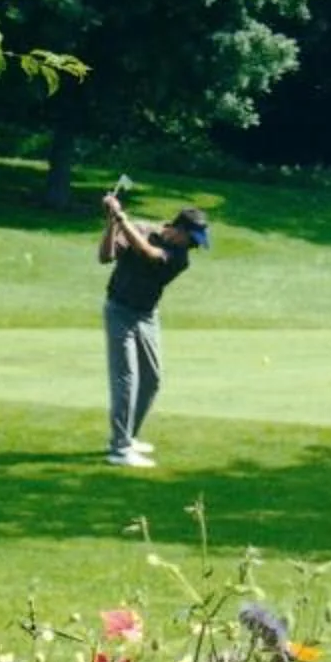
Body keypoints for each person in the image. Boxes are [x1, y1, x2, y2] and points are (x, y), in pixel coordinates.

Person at [99, 191, 209, 468]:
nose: (194, 246)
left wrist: (122, 218)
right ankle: (120, 449)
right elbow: (105, 256)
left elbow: (148, 254)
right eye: (192, 239)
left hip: (147, 315)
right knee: (126, 379)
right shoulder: (142, 228)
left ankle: (128, 436)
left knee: (152, 379)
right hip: (119, 311)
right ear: (180, 230)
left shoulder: (179, 257)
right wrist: (112, 222)